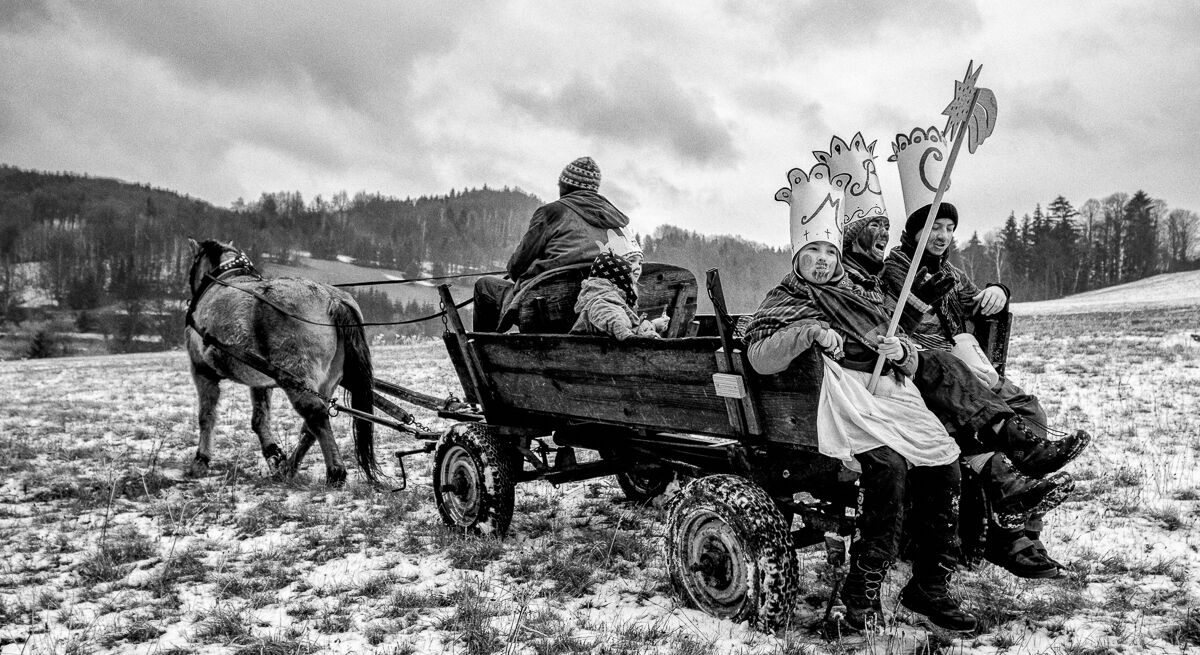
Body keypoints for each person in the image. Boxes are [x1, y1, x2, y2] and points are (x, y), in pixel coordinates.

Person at [745, 163, 975, 633]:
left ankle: (929, 585)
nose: (824, 260)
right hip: (836, 410)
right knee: (889, 469)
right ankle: (861, 596)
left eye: (829, 251)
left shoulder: (861, 294)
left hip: (887, 400)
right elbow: (759, 356)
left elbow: (898, 333)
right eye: (813, 251)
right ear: (797, 257)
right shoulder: (787, 297)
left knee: (945, 462)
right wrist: (808, 332)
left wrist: (902, 348)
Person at [883, 126, 1090, 578]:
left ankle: (1022, 528)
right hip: (916, 368)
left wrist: (997, 289)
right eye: (933, 226)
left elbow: (976, 298)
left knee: (1028, 407)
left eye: (948, 228)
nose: (941, 235)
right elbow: (894, 319)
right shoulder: (894, 270)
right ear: (914, 231)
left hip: (963, 366)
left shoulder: (952, 272)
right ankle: (1008, 525)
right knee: (976, 421)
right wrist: (925, 297)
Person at [473, 156, 637, 332]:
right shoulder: (618, 222)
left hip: (548, 308)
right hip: (608, 307)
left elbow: (515, 268)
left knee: (485, 286)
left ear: (566, 186)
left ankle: (483, 348)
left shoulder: (552, 212)